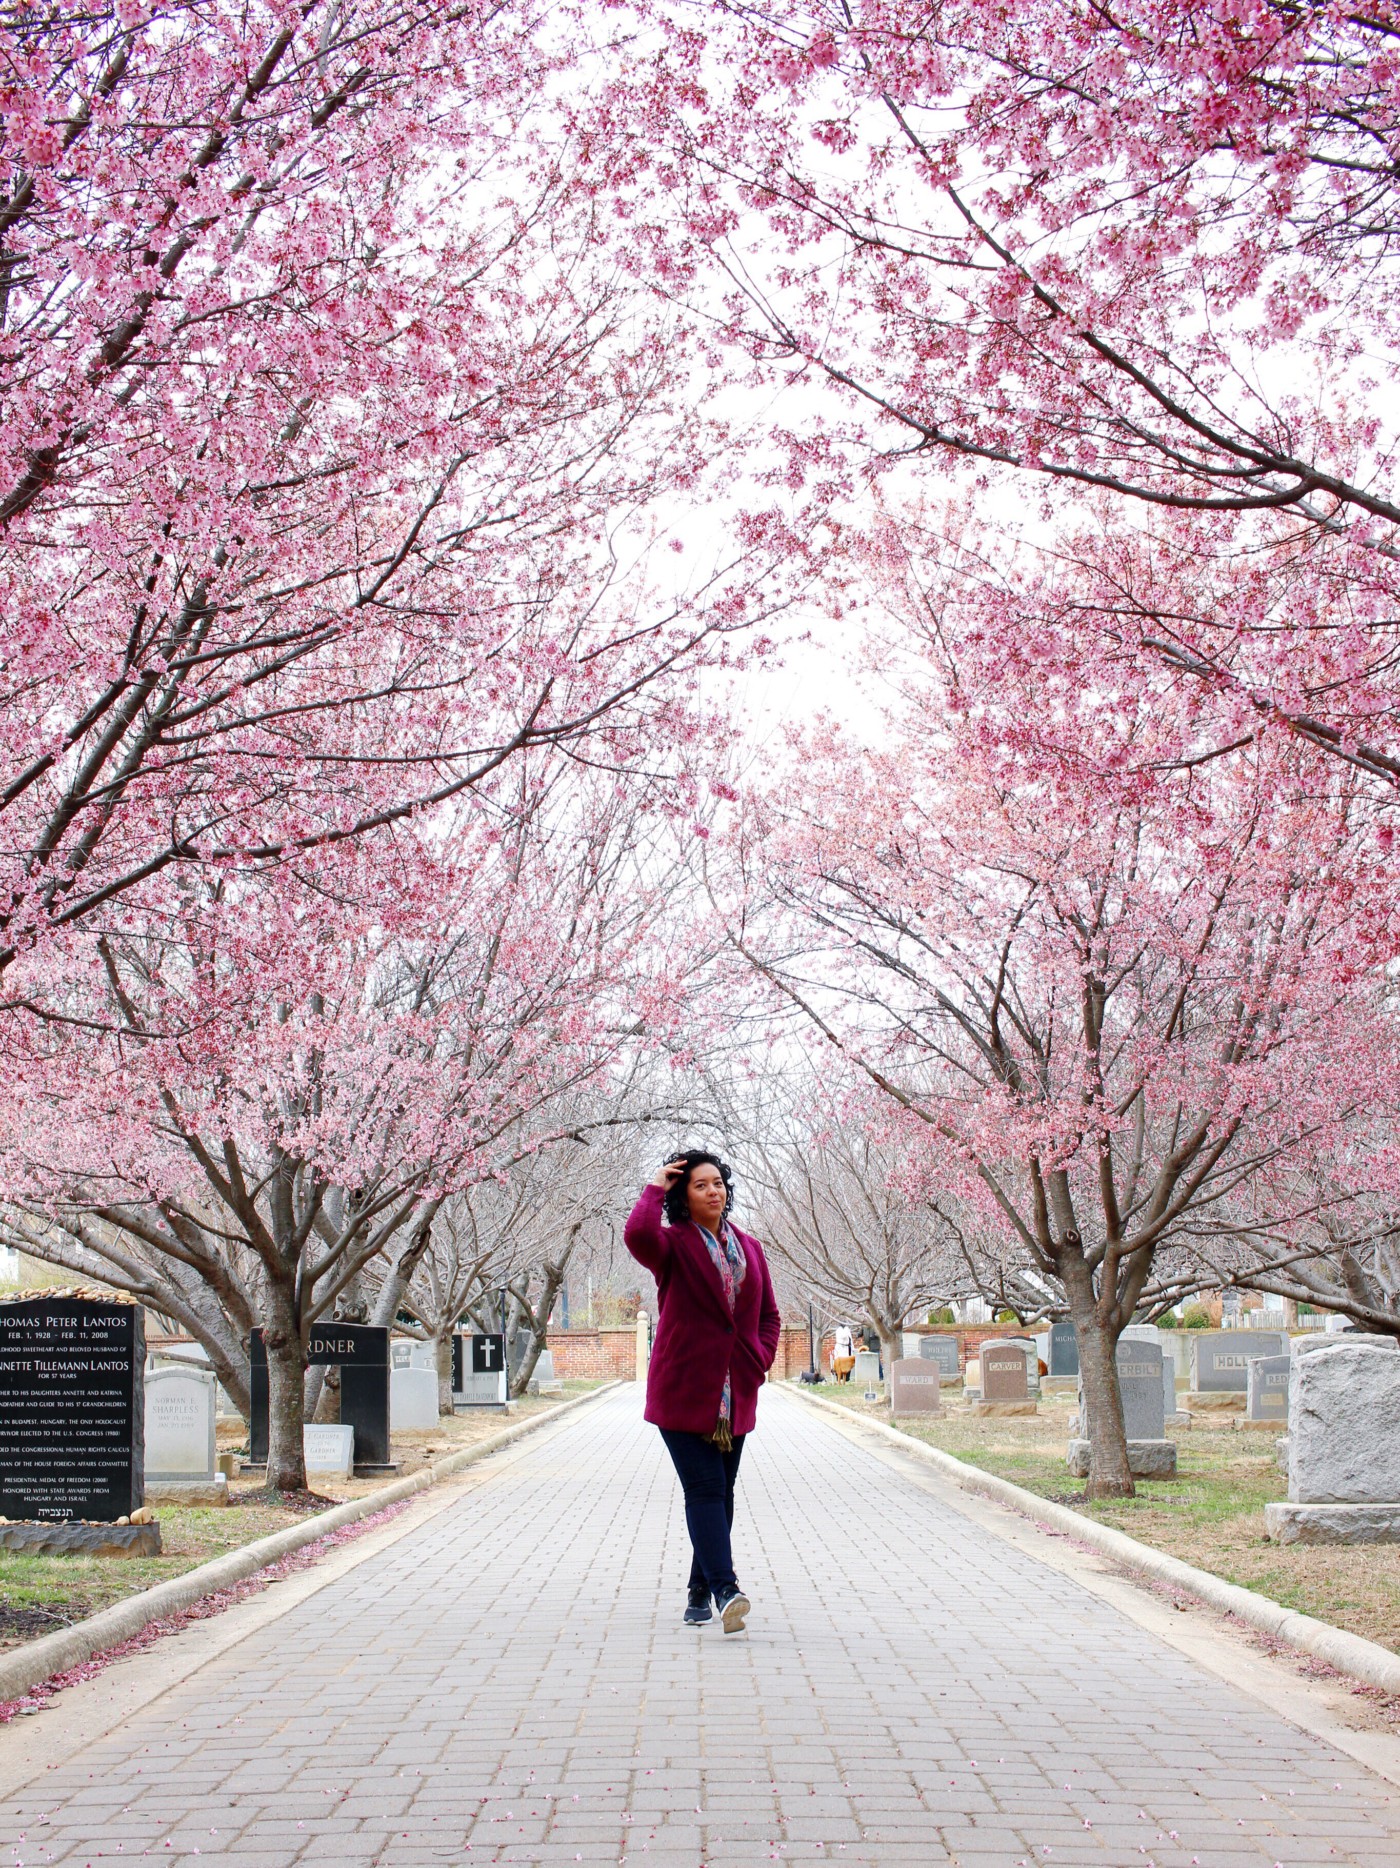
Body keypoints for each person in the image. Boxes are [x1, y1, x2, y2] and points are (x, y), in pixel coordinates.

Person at [624, 1151, 782, 1633]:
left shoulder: (751, 1248)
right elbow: (637, 1235)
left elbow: (769, 1316)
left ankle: (698, 1588)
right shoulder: (671, 1246)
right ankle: (726, 1587)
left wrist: (759, 1360)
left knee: (723, 1492)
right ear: (683, 1197)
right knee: (706, 1488)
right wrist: (654, 1186)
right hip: (684, 1390)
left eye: (718, 1183)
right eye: (700, 1185)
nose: (714, 1191)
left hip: (737, 1392)